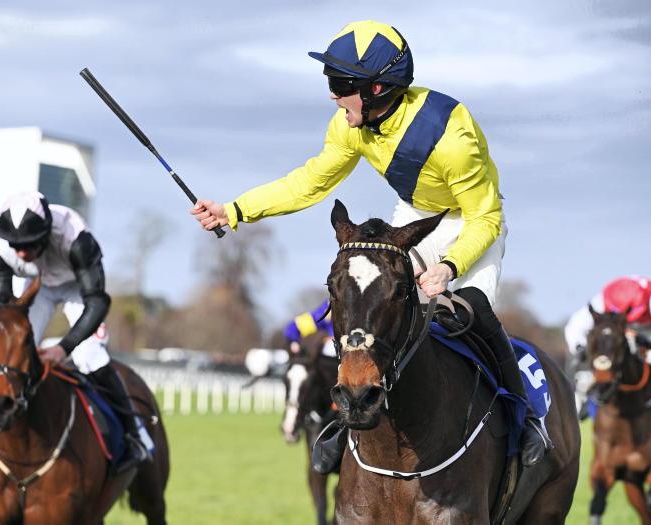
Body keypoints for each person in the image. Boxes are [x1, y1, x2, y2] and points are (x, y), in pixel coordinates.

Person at [191, 20, 551, 466]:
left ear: (377, 89)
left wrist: (450, 266)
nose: (333, 96)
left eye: (341, 85)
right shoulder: (351, 123)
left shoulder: (450, 137)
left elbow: (486, 216)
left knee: (473, 311)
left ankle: (524, 416)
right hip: (416, 213)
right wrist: (234, 210)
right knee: (377, 300)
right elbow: (311, 182)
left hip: (472, 219)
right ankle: (347, 422)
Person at [0, 191, 149, 473]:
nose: (21, 253)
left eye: (29, 244)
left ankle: (134, 432)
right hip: (38, 287)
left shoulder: (76, 237)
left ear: (46, 232)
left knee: (90, 356)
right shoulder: (0, 247)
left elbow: (97, 302)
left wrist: (64, 347)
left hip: (78, 288)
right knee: (10, 353)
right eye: (16, 245)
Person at [565, 275, 651, 421]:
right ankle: (586, 399)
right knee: (597, 360)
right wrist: (579, 348)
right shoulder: (601, 300)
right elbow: (574, 327)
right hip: (618, 334)